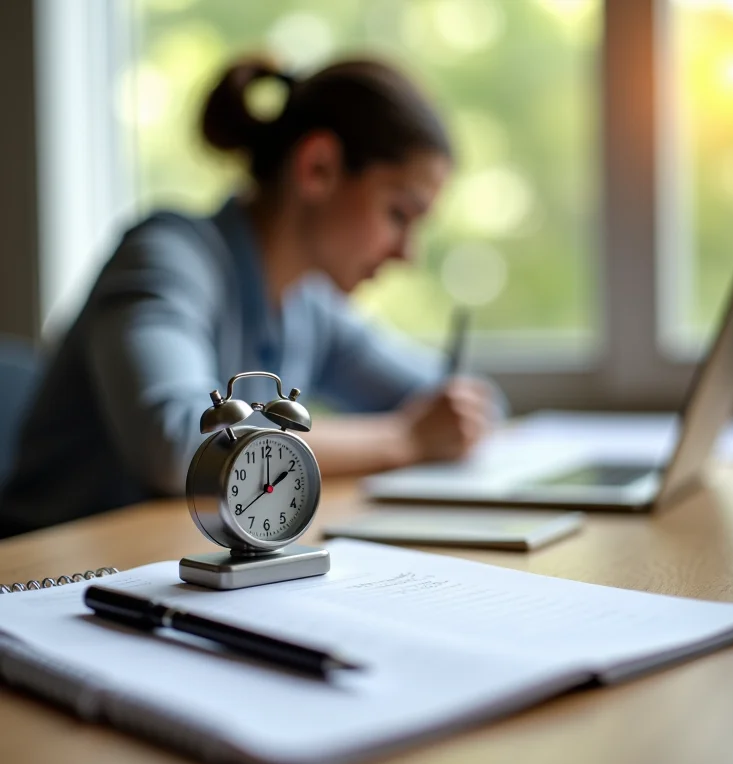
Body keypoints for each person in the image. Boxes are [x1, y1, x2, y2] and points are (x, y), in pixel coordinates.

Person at [0, 55, 497, 538]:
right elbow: (179, 447)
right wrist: (404, 439)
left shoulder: (310, 307)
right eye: (398, 213)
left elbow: (471, 403)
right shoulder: (166, 256)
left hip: (179, 567)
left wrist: (454, 416)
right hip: (52, 580)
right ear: (318, 168)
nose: (407, 254)